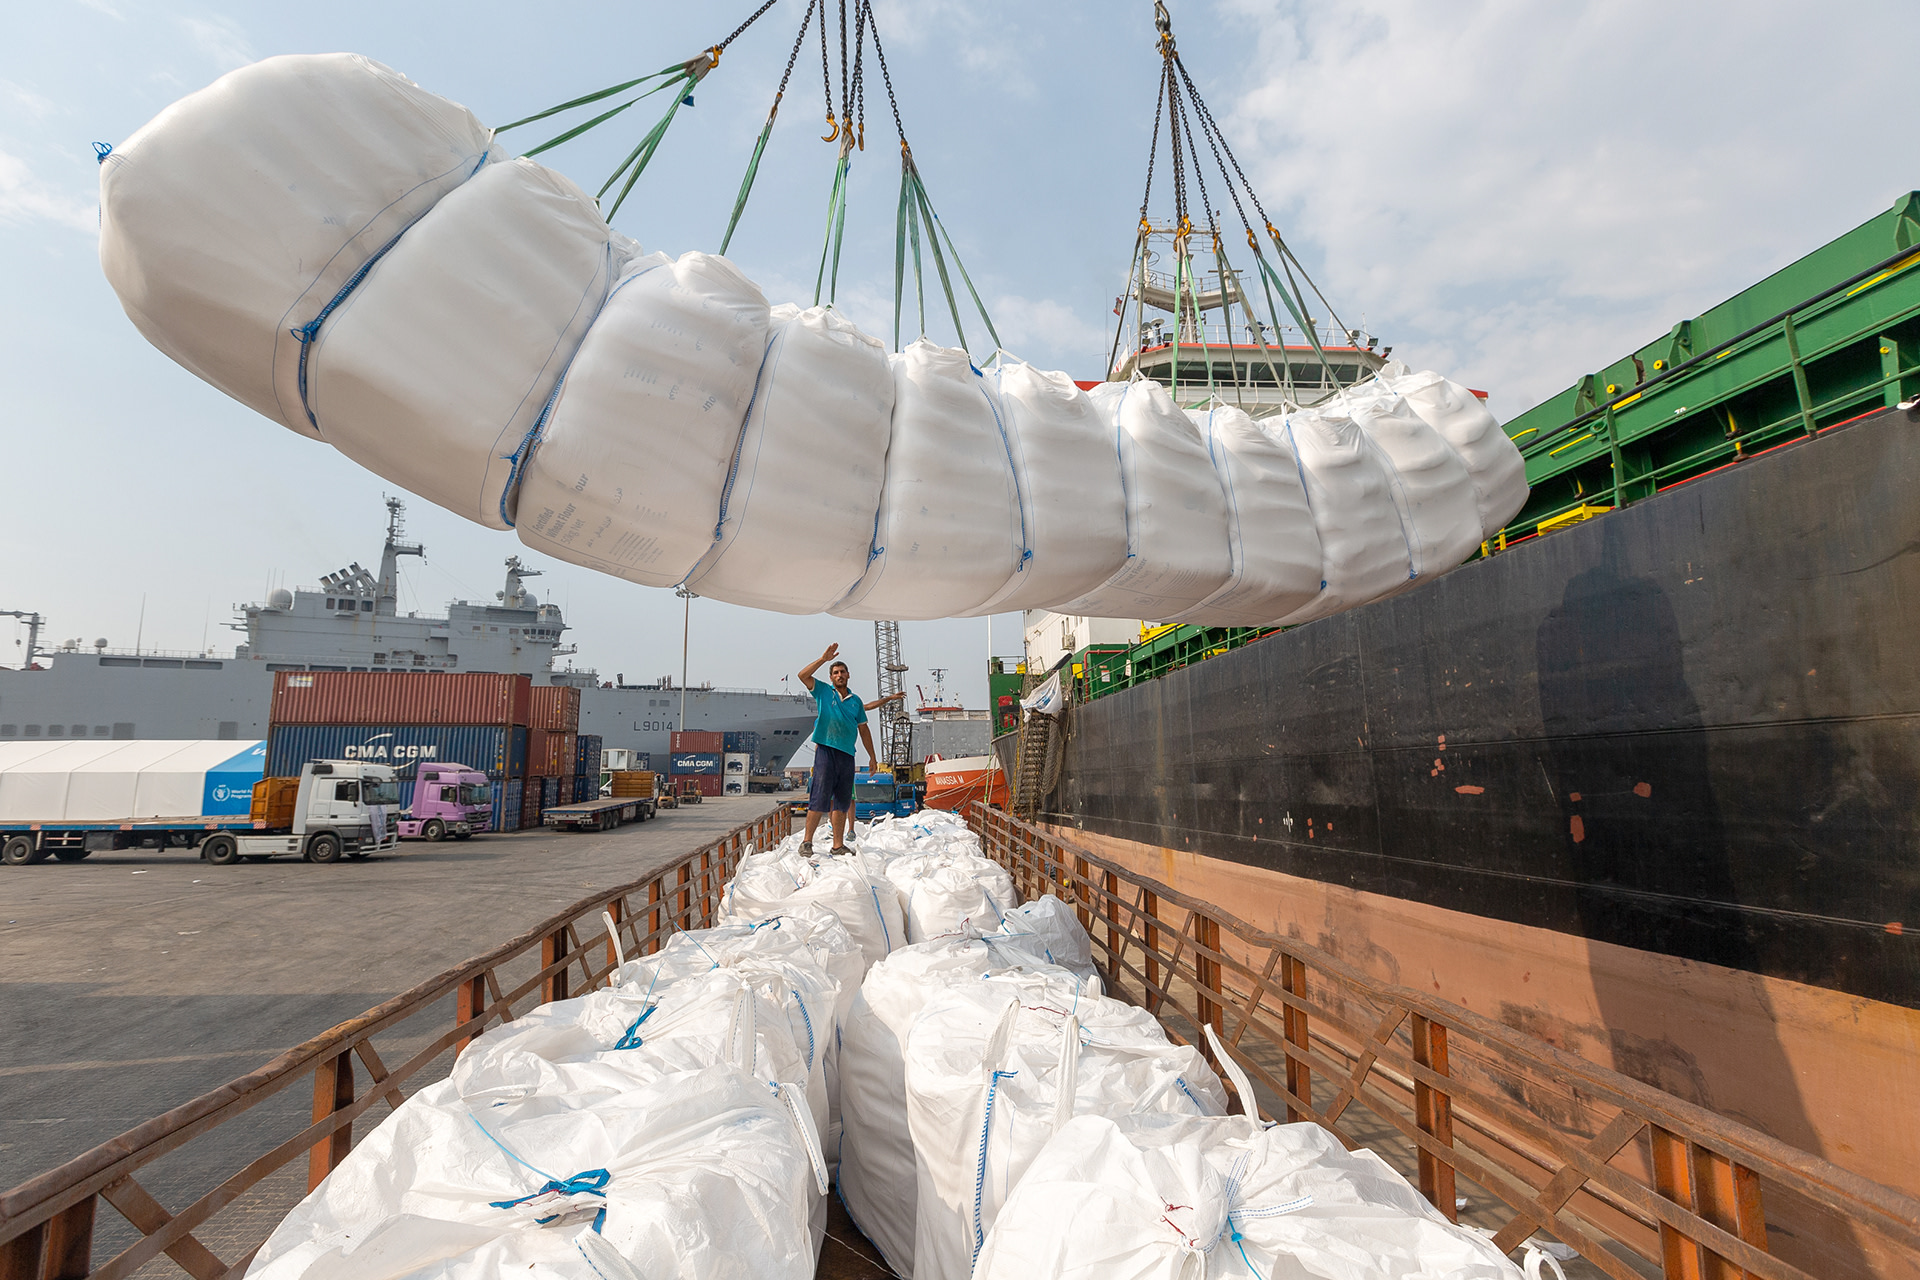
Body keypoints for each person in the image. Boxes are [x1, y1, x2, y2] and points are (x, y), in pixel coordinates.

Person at [797, 643, 880, 853]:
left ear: (848, 675)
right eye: (835, 672)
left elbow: (864, 730)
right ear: (831, 677)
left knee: (842, 802)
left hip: (847, 755)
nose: (839, 675)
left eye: (842, 672)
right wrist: (822, 659)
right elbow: (802, 675)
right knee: (819, 797)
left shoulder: (856, 702)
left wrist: (872, 757)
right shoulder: (824, 691)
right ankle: (807, 842)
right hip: (826, 750)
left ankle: (838, 845)